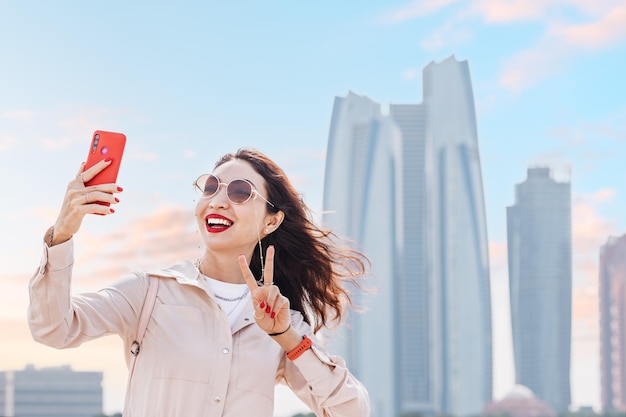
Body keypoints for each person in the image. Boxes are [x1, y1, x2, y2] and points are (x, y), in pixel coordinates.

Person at [28, 147, 371, 416]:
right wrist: (62, 233)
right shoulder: (149, 292)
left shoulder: (283, 325)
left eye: (240, 192)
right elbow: (53, 329)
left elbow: (352, 411)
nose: (218, 200)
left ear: (271, 222)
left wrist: (286, 337)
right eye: (211, 187)